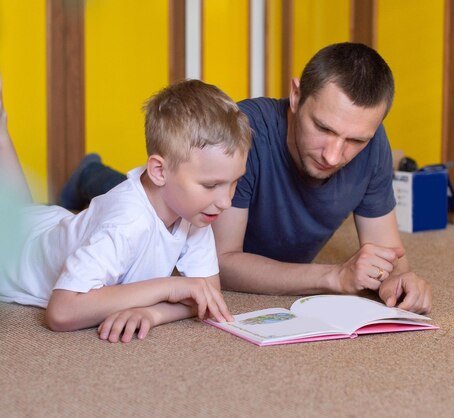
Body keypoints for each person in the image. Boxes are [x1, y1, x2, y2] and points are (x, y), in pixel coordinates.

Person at [59, 43, 432, 313]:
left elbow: (386, 253)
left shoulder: (373, 144)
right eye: (322, 128)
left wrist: (400, 278)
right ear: (296, 95)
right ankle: (91, 174)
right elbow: (224, 261)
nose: (334, 154)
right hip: (187, 212)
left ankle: (94, 173)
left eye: (355, 140)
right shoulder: (245, 133)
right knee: (144, 200)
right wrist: (333, 277)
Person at [0, 77, 251, 343]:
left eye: (234, 182)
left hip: (53, 227)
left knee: (22, 213)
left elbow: (206, 292)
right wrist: (170, 286)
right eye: (211, 185)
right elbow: (62, 311)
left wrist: (152, 313)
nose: (225, 201)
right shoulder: (126, 223)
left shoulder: (195, 212)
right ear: (158, 171)